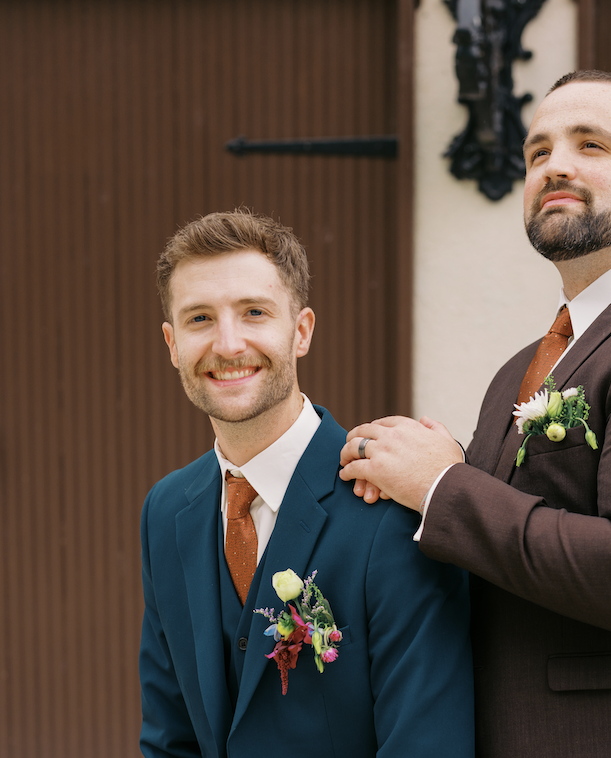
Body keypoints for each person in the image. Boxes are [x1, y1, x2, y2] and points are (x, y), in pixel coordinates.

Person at [340, 70, 611, 757]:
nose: (556, 166)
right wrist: (427, 473)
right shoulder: (521, 367)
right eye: (537, 152)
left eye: (591, 145)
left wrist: (443, 489)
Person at [139, 209, 474, 758]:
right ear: (172, 344)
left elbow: (426, 742)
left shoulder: (392, 509)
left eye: (254, 312)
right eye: (200, 319)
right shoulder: (166, 509)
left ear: (301, 331)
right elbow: (169, 736)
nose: (227, 345)